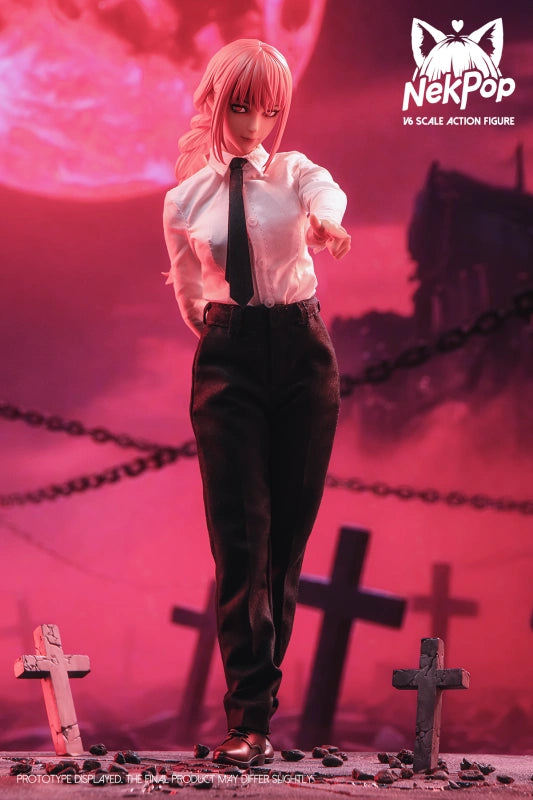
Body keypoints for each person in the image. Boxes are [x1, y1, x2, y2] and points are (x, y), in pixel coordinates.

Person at [163, 38, 351, 769]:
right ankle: (248, 721)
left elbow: (325, 195)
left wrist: (327, 224)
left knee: (285, 544)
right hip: (229, 358)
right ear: (216, 102)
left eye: (269, 110)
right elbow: (189, 294)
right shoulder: (185, 200)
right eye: (241, 107)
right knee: (240, 538)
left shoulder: (296, 173)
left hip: (303, 354)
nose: (254, 125)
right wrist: (228, 336)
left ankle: (258, 715)